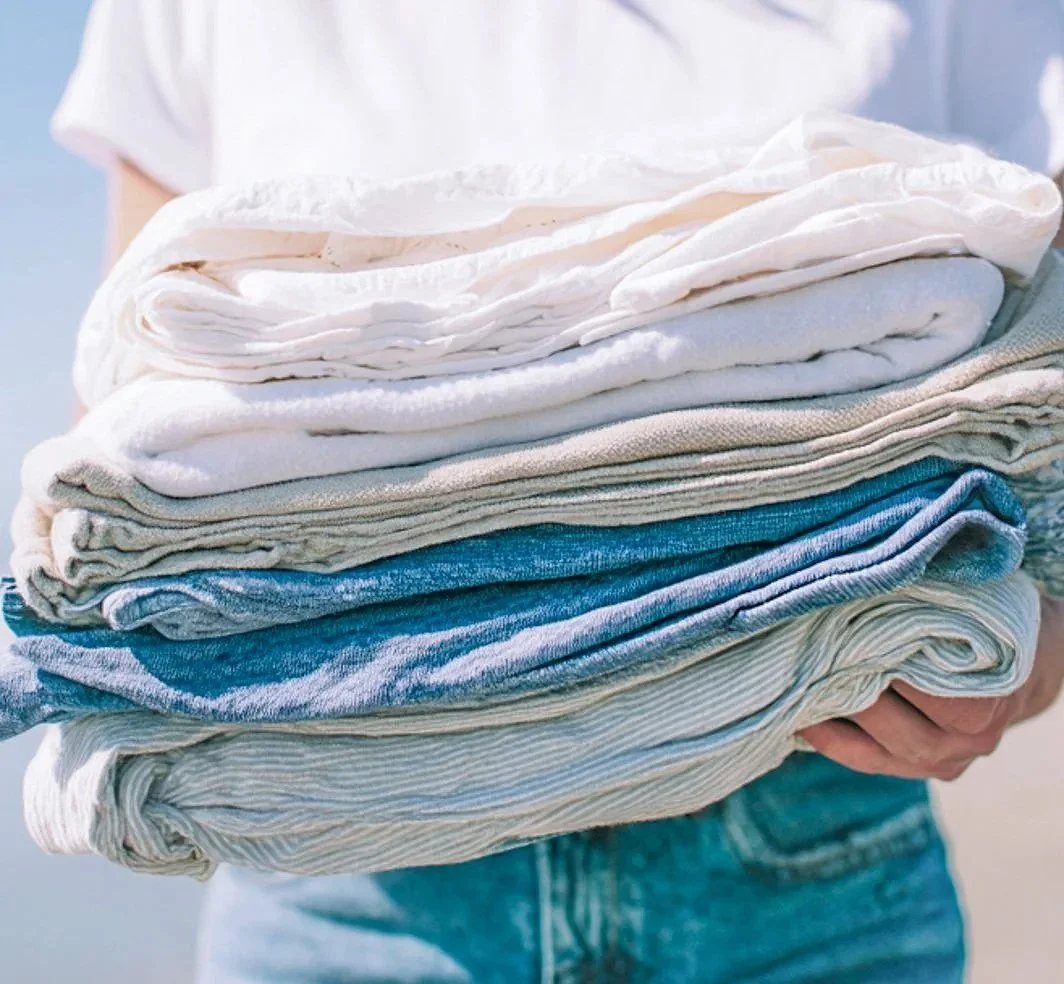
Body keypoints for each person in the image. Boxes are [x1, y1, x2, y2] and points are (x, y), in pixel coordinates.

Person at [53, 3, 1064, 981]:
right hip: (345, 868)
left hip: (809, 817)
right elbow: (134, 392)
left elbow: (1043, 365)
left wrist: (1036, 642)